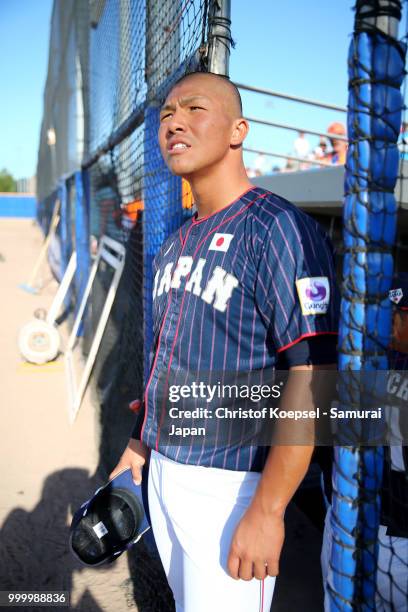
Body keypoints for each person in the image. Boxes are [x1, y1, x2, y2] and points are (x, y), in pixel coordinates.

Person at [110, 71, 339, 612]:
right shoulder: (175, 241)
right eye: (166, 114)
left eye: (194, 109)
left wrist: (268, 510)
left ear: (238, 130)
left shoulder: (278, 227)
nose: (174, 122)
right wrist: (141, 443)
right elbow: (167, 362)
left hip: (232, 485)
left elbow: (310, 379)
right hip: (164, 470)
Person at [321, 273, 408, 611]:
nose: (388, 326)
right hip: (353, 529)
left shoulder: (355, 359)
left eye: (395, 317)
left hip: (383, 540)